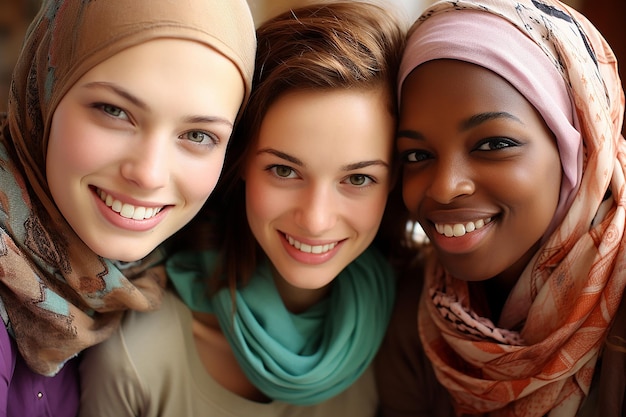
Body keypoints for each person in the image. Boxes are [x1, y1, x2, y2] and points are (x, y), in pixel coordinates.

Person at [78, 2, 407, 416]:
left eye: (358, 179)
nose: (317, 218)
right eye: (284, 170)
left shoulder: (411, 329)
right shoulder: (140, 354)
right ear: (241, 161)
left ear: (394, 178)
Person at [0, 0, 256, 416]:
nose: (149, 174)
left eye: (197, 135)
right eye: (114, 111)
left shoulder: (166, 271)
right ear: (44, 91)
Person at [374, 0, 626, 415]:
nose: (445, 186)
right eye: (417, 155)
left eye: (494, 145)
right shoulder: (413, 311)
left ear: (580, 150)